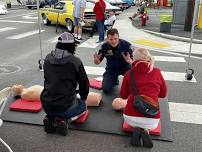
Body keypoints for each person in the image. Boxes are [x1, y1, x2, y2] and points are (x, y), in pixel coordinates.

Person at [112, 48, 167, 148]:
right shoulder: (157, 72)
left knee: (124, 105)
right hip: (152, 118)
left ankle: (137, 127)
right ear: (148, 58)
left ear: (134, 59)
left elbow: (123, 96)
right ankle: (146, 130)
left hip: (130, 117)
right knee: (149, 117)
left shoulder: (129, 74)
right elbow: (163, 94)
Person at [40, 32, 89, 136]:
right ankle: (65, 121)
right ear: (72, 46)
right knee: (83, 106)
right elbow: (84, 84)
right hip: (65, 107)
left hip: (46, 105)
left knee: (59, 104)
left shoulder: (47, 58)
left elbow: (47, 79)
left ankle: (50, 118)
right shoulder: (75, 61)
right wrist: (82, 98)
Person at [93, 28, 133, 94]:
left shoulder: (127, 45)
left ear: (118, 37)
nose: (113, 41)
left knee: (133, 88)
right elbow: (97, 62)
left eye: (115, 39)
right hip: (112, 69)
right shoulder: (104, 46)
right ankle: (114, 79)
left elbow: (135, 63)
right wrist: (96, 60)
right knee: (106, 89)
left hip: (126, 68)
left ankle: (118, 79)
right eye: (111, 39)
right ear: (107, 39)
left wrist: (130, 61)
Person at [11, 84, 102, 107]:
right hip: (52, 96)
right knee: (72, 97)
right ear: (17, 91)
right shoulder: (24, 94)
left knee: (73, 93)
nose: (18, 85)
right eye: (16, 86)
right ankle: (92, 99)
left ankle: (91, 98)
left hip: (52, 92)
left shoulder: (27, 89)